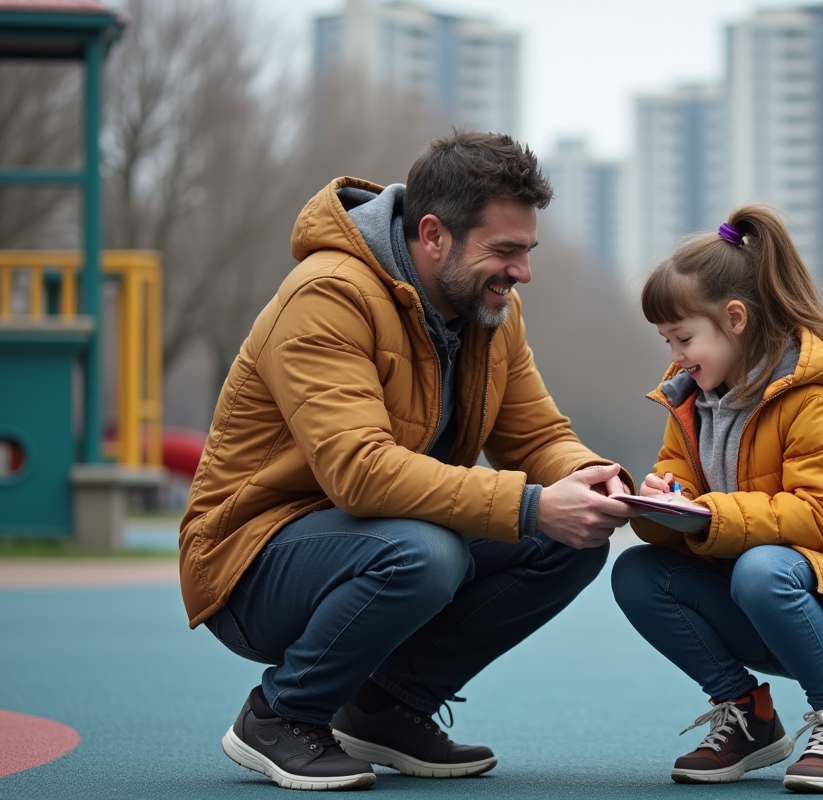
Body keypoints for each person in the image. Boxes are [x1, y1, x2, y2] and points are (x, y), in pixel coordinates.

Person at [179, 130, 636, 791]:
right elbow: (359, 471)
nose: (521, 272)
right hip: (251, 561)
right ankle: (279, 715)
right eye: (505, 251)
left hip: (378, 535)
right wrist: (533, 505)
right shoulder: (328, 295)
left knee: (571, 542)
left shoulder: (495, 312)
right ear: (433, 235)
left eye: (527, 251)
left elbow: (537, 438)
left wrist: (595, 482)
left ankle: (383, 706)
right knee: (428, 553)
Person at [610, 205, 823, 793]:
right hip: (751, 594)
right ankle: (748, 717)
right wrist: (664, 501)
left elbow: (819, 517)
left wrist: (710, 515)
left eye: (684, 337)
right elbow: (679, 486)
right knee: (636, 572)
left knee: (761, 568)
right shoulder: (689, 402)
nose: (675, 355)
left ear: (735, 319)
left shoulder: (814, 402)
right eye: (667, 340)